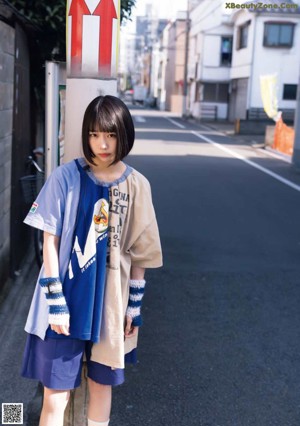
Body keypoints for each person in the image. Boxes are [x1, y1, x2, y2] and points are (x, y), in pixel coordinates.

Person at [21, 95, 163, 426]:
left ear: (124, 135)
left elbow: (141, 252)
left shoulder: (138, 185)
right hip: (64, 304)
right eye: (95, 134)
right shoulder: (64, 177)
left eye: (111, 135)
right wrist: (55, 300)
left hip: (111, 306)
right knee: (56, 394)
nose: (102, 144)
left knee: (101, 388)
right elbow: (49, 240)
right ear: (86, 135)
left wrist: (134, 306)